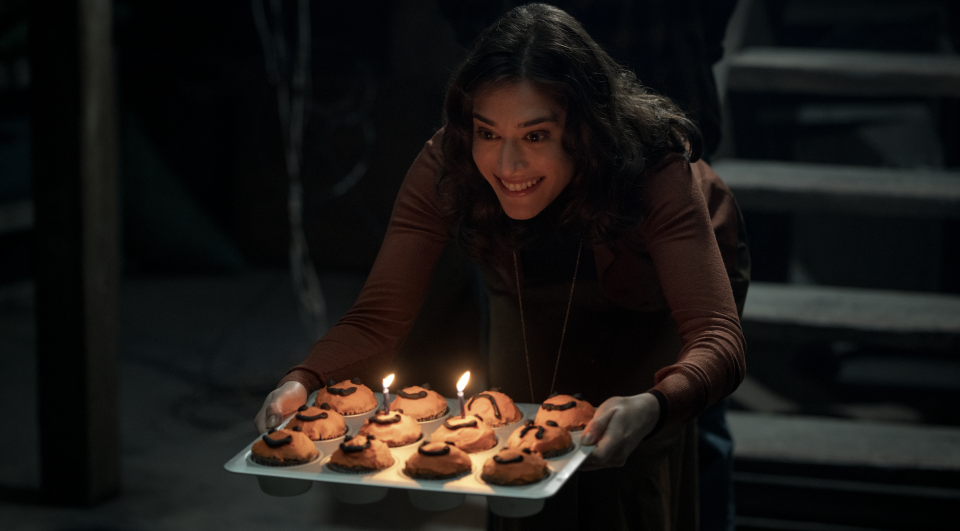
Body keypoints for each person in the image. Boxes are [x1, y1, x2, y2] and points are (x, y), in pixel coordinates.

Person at [254, 4, 747, 530]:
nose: (507, 167)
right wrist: (303, 379)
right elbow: (378, 318)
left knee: (633, 460)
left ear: (584, 130)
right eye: (489, 133)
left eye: (535, 135)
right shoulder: (450, 161)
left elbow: (716, 336)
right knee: (518, 442)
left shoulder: (655, 172)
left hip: (649, 282)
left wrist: (655, 405)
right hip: (527, 271)